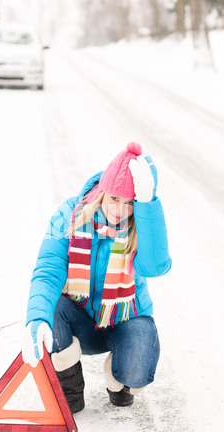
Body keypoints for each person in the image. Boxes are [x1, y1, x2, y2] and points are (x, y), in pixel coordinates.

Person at [22, 142, 172, 413]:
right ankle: (69, 389)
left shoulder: (140, 222)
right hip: (77, 316)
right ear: (103, 191)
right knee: (52, 308)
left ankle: (117, 379)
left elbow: (155, 267)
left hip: (124, 316)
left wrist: (147, 206)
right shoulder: (70, 215)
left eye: (130, 203)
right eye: (115, 198)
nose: (120, 210)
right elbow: (49, 267)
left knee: (136, 373)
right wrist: (37, 317)